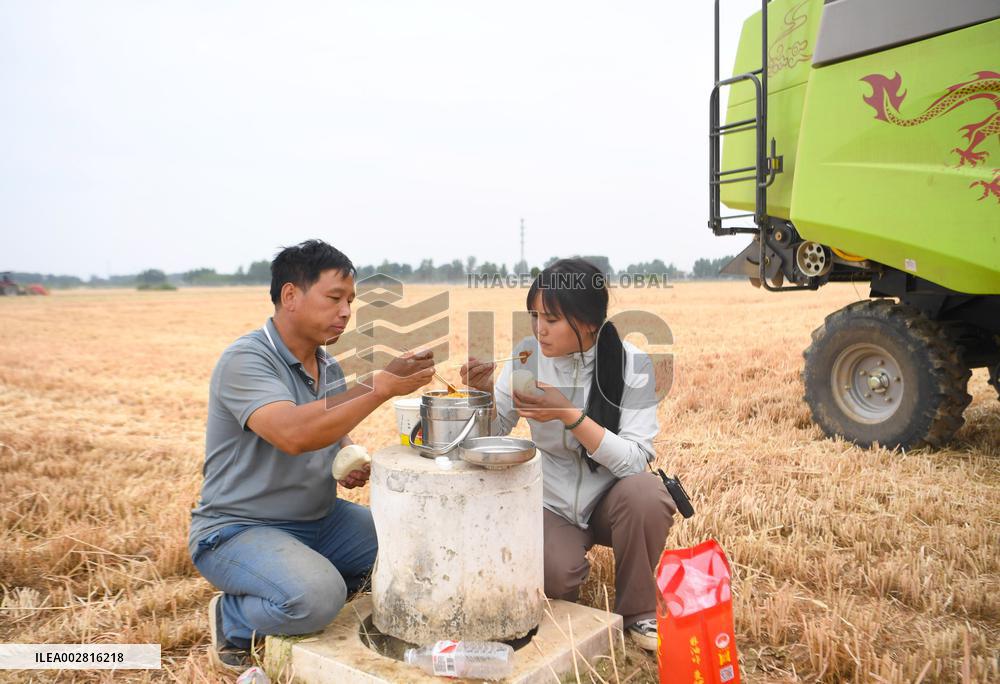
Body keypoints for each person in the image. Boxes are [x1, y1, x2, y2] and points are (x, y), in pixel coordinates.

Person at [189, 240, 435, 671]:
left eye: (350, 302)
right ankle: (233, 618)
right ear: (290, 297)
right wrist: (379, 386)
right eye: (334, 298)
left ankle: (302, 581)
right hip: (240, 528)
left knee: (411, 552)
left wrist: (344, 454)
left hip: (320, 520)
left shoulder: (328, 365)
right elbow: (293, 433)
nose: (345, 312)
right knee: (319, 598)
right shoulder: (246, 360)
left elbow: (327, 425)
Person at [461, 258, 675, 651]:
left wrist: (568, 414)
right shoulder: (526, 360)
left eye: (552, 319)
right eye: (534, 316)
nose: (539, 329)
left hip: (612, 499)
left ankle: (640, 613)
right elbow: (493, 435)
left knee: (647, 493)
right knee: (557, 579)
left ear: (589, 323)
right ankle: (565, 558)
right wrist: (483, 395)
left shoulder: (634, 365)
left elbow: (635, 460)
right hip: (551, 499)